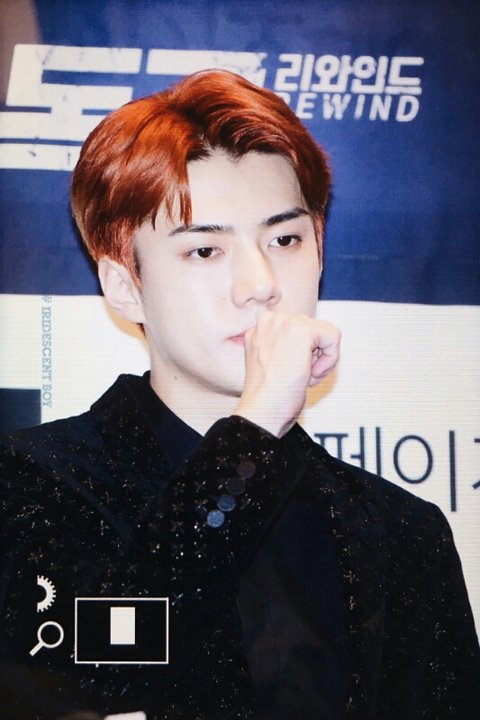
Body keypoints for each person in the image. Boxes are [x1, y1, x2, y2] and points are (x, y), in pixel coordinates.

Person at [0, 70, 478, 720]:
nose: (259, 283)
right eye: (204, 251)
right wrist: (253, 432)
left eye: (285, 240)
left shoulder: (401, 532)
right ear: (124, 286)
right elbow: (89, 675)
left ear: (320, 248)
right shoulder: (34, 483)